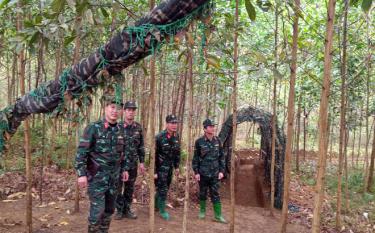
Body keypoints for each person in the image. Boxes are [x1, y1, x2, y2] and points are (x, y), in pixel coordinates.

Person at [75, 96, 129, 233]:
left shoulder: (121, 130)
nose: (115, 111)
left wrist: (125, 169)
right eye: (112, 107)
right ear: (105, 108)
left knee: (109, 210)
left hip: (114, 178)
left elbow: (123, 153)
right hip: (97, 178)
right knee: (97, 211)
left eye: (118, 108)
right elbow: (82, 152)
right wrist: (81, 174)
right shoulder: (94, 128)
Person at [192, 118, 227, 223]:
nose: (213, 128)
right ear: (205, 128)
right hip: (203, 173)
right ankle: (202, 211)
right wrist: (196, 172)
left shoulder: (218, 141)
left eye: (213, 126)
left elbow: (222, 157)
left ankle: (218, 215)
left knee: (215, 193)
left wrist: (222, 171)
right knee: (202, 193)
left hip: (215, 174)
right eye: (210, 126)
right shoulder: (199, 142)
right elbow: (195, 158)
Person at [115, 101, 145, 220]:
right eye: (128, 110)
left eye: (133, 110)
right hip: (119, 165)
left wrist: (142, 162)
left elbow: (141, 146)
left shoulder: (138, 127)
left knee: (129, 188)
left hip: (132, 164)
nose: (131, 112)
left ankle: (127, 209)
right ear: (124, 111)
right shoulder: (117, 127)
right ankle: (119, 210)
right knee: (117, 188)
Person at [154, 114, 181, 220]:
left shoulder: (176, 137)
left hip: (170, 168)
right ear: (167, 124)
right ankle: (162, 210)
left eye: (176, 123)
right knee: (163, 189)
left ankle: (156, 205)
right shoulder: (159, 137)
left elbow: (177, 153)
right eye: (172, 123)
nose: (174, 125)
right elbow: (154, 155)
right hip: (160, 169)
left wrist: (177, 166)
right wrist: (154, 171)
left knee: (165, 187)